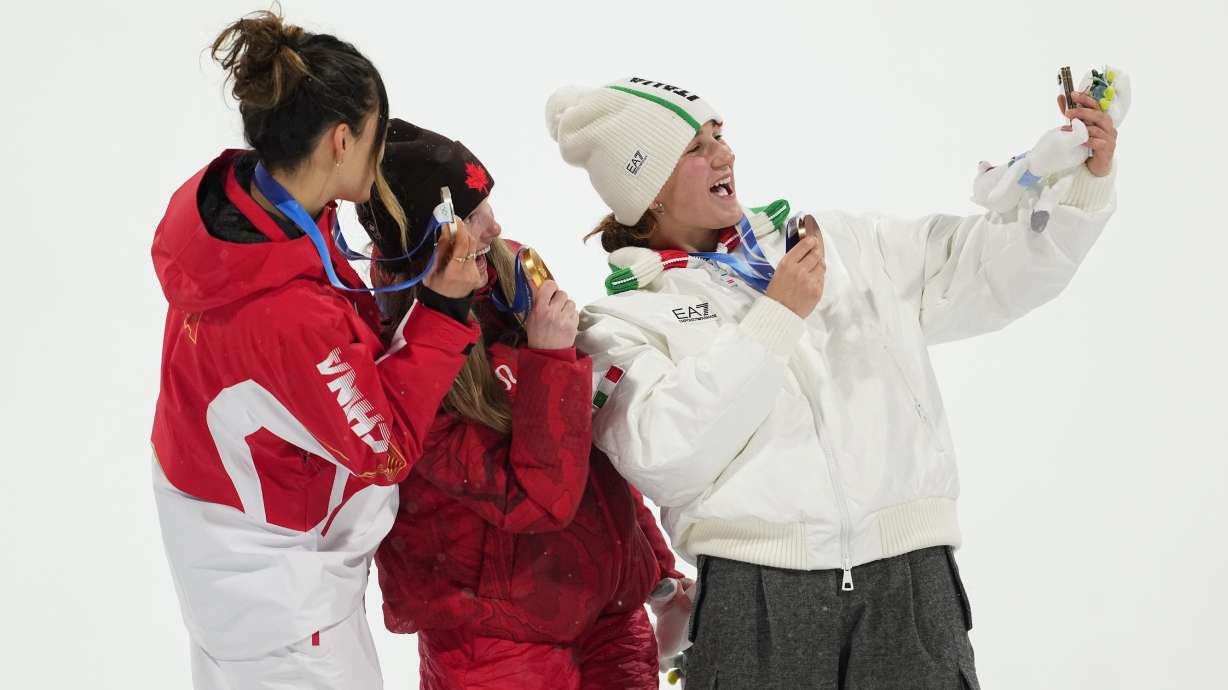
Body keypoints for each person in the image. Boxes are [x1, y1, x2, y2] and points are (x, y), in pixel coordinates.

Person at [546, 73, 1126, 688]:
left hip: (911, 584)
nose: (725, 154)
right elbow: (665, 454)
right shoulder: (619, 324)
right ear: (648, 190)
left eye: (719, 135)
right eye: (696, 148)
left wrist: (1079, 182)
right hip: (755, 602)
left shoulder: (843, 243)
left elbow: (989, 271)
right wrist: (778, 317)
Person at [149, 12, 485, 688]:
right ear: (339, 141)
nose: (382, 150)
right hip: (279, 606)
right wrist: (444, 311)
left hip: (232, 559)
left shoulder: (240, 202)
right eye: (377, 135)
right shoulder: (286, 314)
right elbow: (381, 448)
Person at [360, 119, 690, 690]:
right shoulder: (404, 362)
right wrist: (550, 359)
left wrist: (654, 569)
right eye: (472, 213)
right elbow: (540, 501)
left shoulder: (515, 282)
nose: (496, 225)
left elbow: (592, 447)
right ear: (425, 239)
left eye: (490, 202)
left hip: (609, 616)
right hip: (494, 646)